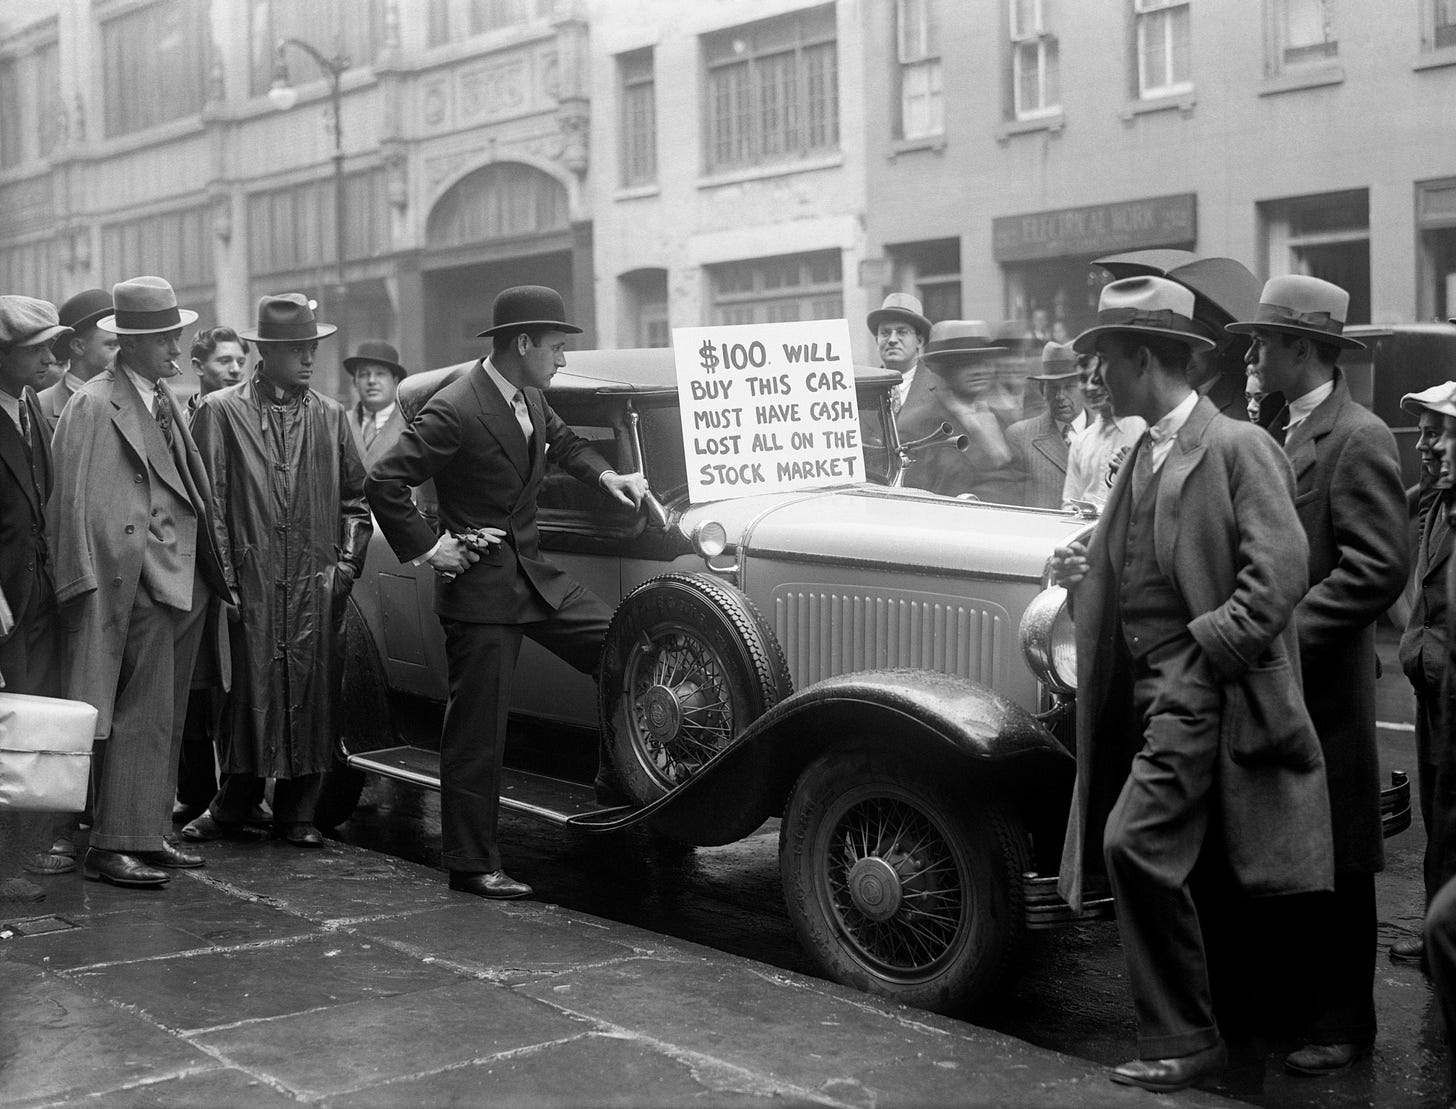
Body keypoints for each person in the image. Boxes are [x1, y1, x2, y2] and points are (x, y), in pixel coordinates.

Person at [1052, 275, 1333, 1094]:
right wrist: (1080, 572)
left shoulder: (1239, 446)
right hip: (1147, 692)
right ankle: (1228, 1030)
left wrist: (1205, 652)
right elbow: (1131, 563)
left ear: (1145, 357)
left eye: (1106, 358)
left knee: (1131, 844)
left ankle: (1185, 1035)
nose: (1097, 377)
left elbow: (1281, 574)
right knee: (1190, 863)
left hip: (1198, 690)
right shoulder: (1142, 449)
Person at [366, 285, 647, 900]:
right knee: (477, 732)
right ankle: (471, 864)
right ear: (523, 343)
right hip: (481, 592)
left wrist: (609, 475)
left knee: (626, 650)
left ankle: (615, 783)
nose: (563, 359)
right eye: (556, 347)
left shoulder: (529, 395)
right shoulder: (457, 407)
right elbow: (384, 480)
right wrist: (430, 548)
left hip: (534, 579)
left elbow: (565, 444)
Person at [1228, 274, 1409, 1075]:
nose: (1256, 354)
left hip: (1324, 688)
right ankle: (1288, 1012)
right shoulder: (1271, 423)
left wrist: (1285, 630)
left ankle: (1345, 1025)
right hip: (1278, 686)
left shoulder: (1359, 436)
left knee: (1337, 857)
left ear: (1303, 349)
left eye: (1266, 341)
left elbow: (1377, 567)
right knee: (1284, 849)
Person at [49, 276, 233, 889]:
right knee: (135, 714)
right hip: (133, 583)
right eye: (165, 339)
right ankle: (114, 843)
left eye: (175, 337)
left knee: (166, 716)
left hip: (178, 581)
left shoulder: (156, 395)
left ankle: (149, 831)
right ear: (132, 341)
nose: (176, 349)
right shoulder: (95, 403)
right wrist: (80, 586)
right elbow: (68, 501)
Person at [181, 295, 371, 849]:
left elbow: (357, 501)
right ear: (268, 352)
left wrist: (345, 568)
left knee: (314, 696)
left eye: (312, 347)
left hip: (315, 583)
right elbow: (207, 502)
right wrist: (227, 583)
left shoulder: (331, 415)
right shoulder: (220, 411)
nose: (309, 358)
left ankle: (298, 812)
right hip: (251, 582)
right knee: (245, 697)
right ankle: (231, 805)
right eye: (297, 348)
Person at [0, 298, 70, 902]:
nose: (53, 356)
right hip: (4, 605)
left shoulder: (28, 409)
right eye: (39, 347)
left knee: (32, 729)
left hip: (38, 598)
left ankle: (20, 855)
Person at [172, 325, 251, 823]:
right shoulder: (181, 417)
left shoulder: (246, 418)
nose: (236, 369)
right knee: (192, 686)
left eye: (240, 360)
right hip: (187, 572)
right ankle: (195, 790)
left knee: (233, 683)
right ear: (199, 367)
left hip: (233, 567)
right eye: (224, 362)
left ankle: (239, 793)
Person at [1392, 384, 1456, 963]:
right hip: (1433, 686)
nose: (1425, 444)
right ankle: (1440, 931)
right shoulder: (1437, 499)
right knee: (1439, 814)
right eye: (1422, 432)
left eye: (1437, 432)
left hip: (1453, 691)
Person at [897, 321, 1023, 502]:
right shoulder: (918, 428)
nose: (978, 371)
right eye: (965, 364)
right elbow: (916, 501)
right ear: (945, 369)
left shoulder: (1005, 419)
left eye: (983, 362)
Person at [1006, 341, 1086, 508]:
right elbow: (1014, 503)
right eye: (1053, 388)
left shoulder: (1107, 431)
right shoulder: (1020, 436)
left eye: (1069, 387)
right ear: (1042, 389)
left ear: (1084, 387)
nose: (1060, 396)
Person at [1061, 352, 1145, 510]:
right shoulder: (1081, 441)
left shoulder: (1144, 429)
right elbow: (1068, 503)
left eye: (1098, 376)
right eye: (1083, 379)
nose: (1090, 387)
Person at [37, 289, 116, 433]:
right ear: (79, 346)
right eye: (111, 345)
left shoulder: (132, 400)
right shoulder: (39, 408)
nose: (121, 354)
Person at [345, 339, 409, 468]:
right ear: (354, 383)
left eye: (380, 374)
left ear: (395, 380)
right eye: (364, 374)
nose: (372, 381)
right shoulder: (341, 422)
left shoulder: (412, 425)